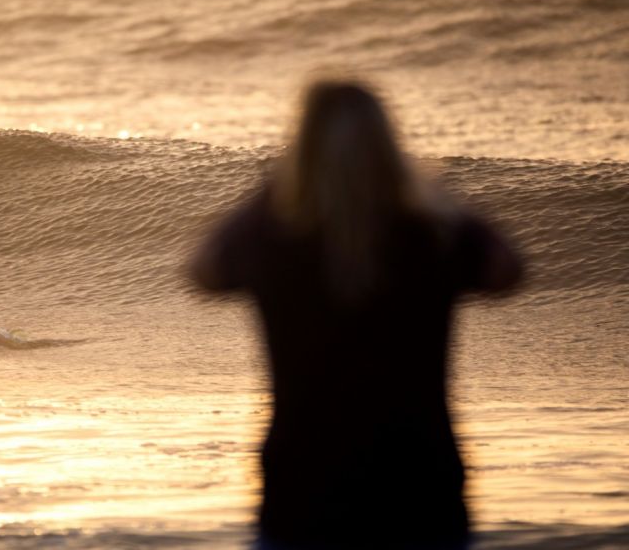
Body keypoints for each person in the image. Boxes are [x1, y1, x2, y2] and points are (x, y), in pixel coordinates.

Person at [191, 79, 523, 550]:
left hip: (302, 489)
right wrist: (437, 193)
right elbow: (507, 271)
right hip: (420, 486)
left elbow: (205, 271)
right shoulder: (432, 233)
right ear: (388, 144)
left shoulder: (271, 234)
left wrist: (269, 191)